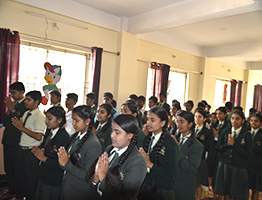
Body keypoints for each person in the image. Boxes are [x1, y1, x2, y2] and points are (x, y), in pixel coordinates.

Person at [88, 114, 147, 200]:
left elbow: (126, 197)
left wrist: (103, 177)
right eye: (112, 131)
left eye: (117, 132)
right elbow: (94, 184)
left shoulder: (137, 161)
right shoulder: (109, 149)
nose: (112, 135)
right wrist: (95, 177)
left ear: (130, 135)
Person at [57, 105, 102, 200]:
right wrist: (63, 159)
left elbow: (88, 175)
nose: (73, 123)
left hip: (79, 192)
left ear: (87, 121)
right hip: (68, 187)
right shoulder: (76, 136)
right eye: (73, 120)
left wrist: (66, 163)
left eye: (76, 120)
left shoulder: (93, 144)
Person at [138, 106, 179, 200]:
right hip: (146, 186)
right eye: (147, 119)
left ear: (162, 123)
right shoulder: (147, 139)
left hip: (162, 190)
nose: (148, 122)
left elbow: (171, 176)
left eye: (152, 120)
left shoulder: (169, 143)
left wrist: (150, 164)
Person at [12, 90, 46, 200]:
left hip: (31, 152)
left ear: (36, 102)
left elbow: (38, 136)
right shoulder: (27, 113)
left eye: (28, 100)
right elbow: (25, 132)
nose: (26, 102)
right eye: (26, 99)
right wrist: (20, 128)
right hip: (22, 149)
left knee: (31, 180)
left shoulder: (39, 116)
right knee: (20, 178)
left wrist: (21, 128)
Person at [32, 106, 70, 200]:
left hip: (53, 179)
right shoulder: (50, 131)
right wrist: (40, 150)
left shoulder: (63, 137)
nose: (46, 122)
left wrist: (43, 158)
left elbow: (60, 163)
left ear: (59, 120)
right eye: (46, 118)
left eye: (50, 119)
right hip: (45, 175)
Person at [214, 110, 253, 200]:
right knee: (225, 190)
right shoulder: (225, 131)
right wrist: (227, 144)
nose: (234, 121)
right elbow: (218, 148)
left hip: (239, 167)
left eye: (237, 119)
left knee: (237, 192)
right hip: (225, 165)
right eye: (232, 118)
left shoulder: (247, 135)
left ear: (243, 121)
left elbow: (248, 154)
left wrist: (234, 144)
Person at [1, 82, 28, 200]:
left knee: (17, 169)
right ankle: (11, 190)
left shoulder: (25, 105)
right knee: (9, 167)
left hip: (16, 142)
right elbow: (5, 123)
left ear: (22, 92)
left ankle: (19, 193)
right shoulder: (14, 104)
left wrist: (12, 110)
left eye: (14, 93)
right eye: (10, 93)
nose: (12, 95)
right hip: (7, 140)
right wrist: (9, 110)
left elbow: (19, 121)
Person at [172, 110, 203, 200]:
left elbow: (191, 167)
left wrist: (178, 151)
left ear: (190, 124)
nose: (178, 124)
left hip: (184, 185)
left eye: (181, 121)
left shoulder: (197, 145)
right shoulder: (174, 139)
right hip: (171, 184)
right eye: (177, 121)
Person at [194, 108, 213, 200]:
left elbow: (209, 147)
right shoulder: (190, 129)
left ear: (205, 119)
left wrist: (198, 143)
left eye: (200, 117)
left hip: (201, 158)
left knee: (199, 182)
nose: (197, 118)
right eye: (196, 116)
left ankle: (198, 198)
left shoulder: (207, 132)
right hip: (190, 157)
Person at [248, 113, 262, 200]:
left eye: (256, 121)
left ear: (260, 123)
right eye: (252, 120)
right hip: (247, 164)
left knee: (255, 189)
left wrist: (252, 140)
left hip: (257, 165)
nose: (253, 123)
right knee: (245, 187)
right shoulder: (246, 132)